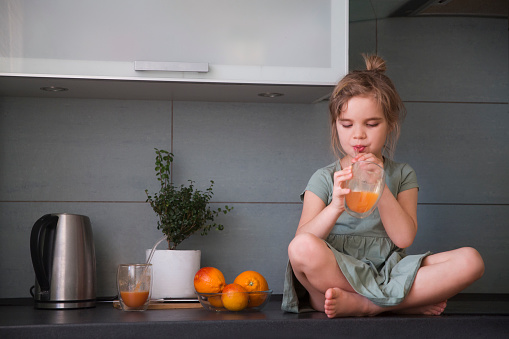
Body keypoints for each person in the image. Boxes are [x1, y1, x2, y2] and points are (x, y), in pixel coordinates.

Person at [281, 54, 484, 318]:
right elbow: (302, 240)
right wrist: (335, 206)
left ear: (390, 125)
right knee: (300, 249)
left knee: (471, 261)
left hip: (389, 270)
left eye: (372, 124)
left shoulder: (402, 174)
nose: (358, 135)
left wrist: (381, 186)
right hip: (337, 273)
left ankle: (367, 305)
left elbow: (404, 238)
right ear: (336, 126)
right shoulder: (324, 177)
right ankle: (400, 302)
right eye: (347, 124)